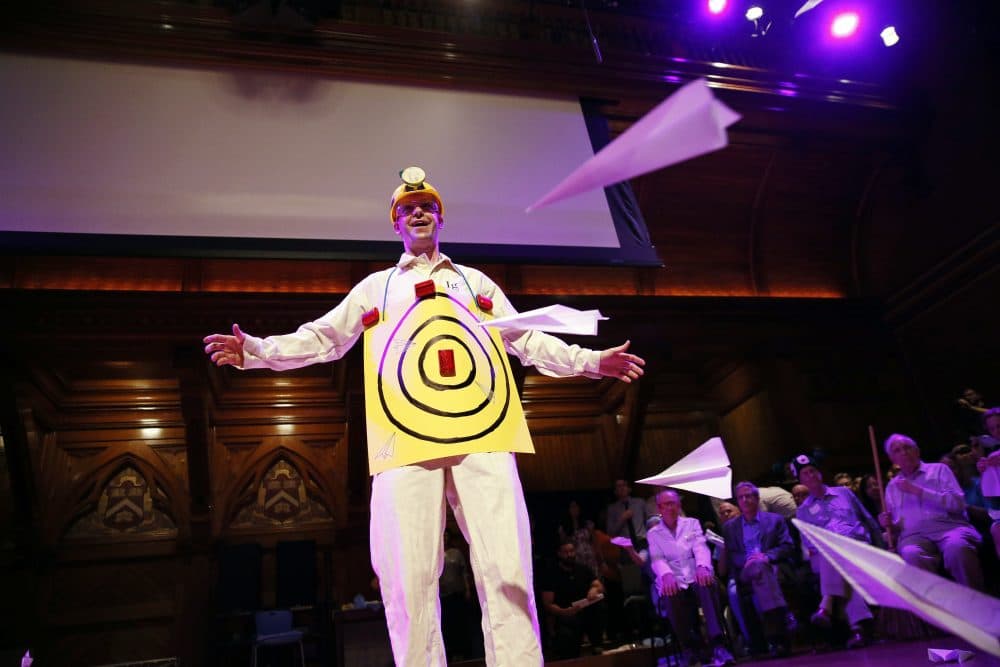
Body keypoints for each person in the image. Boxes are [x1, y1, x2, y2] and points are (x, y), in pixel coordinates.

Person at [203, 167, 646, 667]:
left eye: (428, 206)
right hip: (404, 440)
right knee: (407, 580)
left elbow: (528, 341)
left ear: (440, 218)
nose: (418, 211)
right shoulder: (375, 288)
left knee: (508, 569)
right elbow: (323, 338)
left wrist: (591, 362)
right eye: (407, 208)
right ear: (395, 224)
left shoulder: (476, 283)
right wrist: (257, 351)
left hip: (484, 434)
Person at [791, 454, 882, 649]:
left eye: (813, 471)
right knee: (834, 554)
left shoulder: (844, 493)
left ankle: (827, 606)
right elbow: (809, 542)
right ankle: (859, 628)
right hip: (824, 557)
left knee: (840, 561)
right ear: (802, 481)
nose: (811, 475)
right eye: (806, 474)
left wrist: (882, 547)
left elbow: (868, 520)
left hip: (857, 546)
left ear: (820, 473)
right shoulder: (803, 511)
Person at [878, 434, 984, 591]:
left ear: (917, 451)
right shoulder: (891, 487)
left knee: (957, 548)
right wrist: (889, 525)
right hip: (914, 536)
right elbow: (898, 526)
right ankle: (938, 608)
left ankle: (976, 603)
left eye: (907, 447)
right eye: (897, 450)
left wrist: (918, 491)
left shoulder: (939, 470)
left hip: (950, 527)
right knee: (911, 553)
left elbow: (958, 504)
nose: (904, 452)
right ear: (893, 459)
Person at [646, 489, 734, 667]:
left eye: (674, 503)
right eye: (666, 504)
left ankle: (718, 644)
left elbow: (700, 547)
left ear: (679, 505)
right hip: (675, 579)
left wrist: (702, 566)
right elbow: (657, 559)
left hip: (695, 575)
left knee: (707, 584)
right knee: (670, 593)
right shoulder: (653, 533)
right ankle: (689, 648)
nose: (671, 508)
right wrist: (666, 574)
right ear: (659, 508)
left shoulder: (692, 523)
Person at [720, 481, 797, 658]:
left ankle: (773, 639)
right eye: (741, 497)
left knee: (761, 569)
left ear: (756, 498)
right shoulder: (730, 528)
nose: (745, 500)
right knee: (757, 567)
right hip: (745, 569)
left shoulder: (775, 520)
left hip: (772, 566)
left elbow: (787, 546)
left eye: (748, 496)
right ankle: (781, 626)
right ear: (737, 501)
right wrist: (749, 560)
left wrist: (767, 556)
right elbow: (732, 554)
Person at [539, 540, 607, 660]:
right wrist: (565, 611)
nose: (570, 555)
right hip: (565, 613)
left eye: (571, 551)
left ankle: (598, 647)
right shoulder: (551, 574)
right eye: (566, 552)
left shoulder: (583, 569)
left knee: (598, 608)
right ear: (559, 554)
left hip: (586, 610)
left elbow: (599, 586)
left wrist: (594, 589)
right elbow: (548, 604)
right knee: (567, 632)